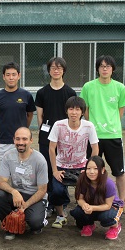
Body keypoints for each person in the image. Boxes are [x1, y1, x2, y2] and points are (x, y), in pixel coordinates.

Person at [80, 55, 125, 215]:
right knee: (90, 170)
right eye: (102, 66)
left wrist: (110, 125)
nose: (104, 69)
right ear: (97, 69)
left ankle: (122, 201)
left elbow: (120, 111)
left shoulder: (119, 88)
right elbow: (85, 110)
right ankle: (89, 199)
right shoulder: (88, 87)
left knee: (119, 171)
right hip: (93, 137)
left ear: (112, 69)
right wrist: (93, 127)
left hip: (113, 136)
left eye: (108, 66)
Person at [48, 96, 99, 229]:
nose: (74, 112)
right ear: (66, 111)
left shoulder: (89, 126)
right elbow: (52, 148)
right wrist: (54, 170)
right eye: (71, 109)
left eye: (77, 109)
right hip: (61, 166)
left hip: (81, 166)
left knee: (88, 191)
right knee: (56, 191)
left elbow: (95, 148)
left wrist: (88, 168)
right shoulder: (58, 125)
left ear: (82, 112)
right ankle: (60, 215)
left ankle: (82, 214)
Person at [0, 127, 48, 240]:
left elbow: (42, 190)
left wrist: (25, 206)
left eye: (24, 139)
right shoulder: (8, 156)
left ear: (31, 140)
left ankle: (39, 220)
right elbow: (1, 182)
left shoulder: (40, 160)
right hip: (18, 195)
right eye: (18, 139)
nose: (21, 142)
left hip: (34, 196)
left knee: (35, 224)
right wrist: (14, 191)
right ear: (14, 140)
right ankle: (10, 226)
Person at [35, 57, 77, 214]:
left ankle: (63, 202)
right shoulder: (42, 93)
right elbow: (40, 116)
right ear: (49, 70)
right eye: (53, 67)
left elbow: (73, 116)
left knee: (63, 169)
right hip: (47, 138)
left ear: (63, 70)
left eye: (59, 68)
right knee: (47, 168)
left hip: (65, 139)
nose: (56, 70)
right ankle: (50, 202)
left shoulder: (70, 92)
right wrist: (45, 131)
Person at [0, 62, 36, 191]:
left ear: (19, 76)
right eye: (8, 75)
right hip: (3, 142)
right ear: (3, 77)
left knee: (22, 174)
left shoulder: (26, 95)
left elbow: (30, 114)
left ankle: (21, 203)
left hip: (22, 142)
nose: (11, 77)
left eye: (14, 74)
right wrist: (6, 123)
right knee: (0, 175)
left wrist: (23, 130)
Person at [69, 156, 124, 240]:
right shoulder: (83, 180)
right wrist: (84, 205)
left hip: (111, 206)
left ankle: (115, 226)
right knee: (77, 212)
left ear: (102, 170)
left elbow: (108, 205)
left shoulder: (108, 183)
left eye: (95, 169)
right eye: (88, 168)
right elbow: (79, 199)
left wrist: (92, 208)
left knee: (106, 217)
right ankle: (89, 224)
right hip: (92, 204)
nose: (91, 172)